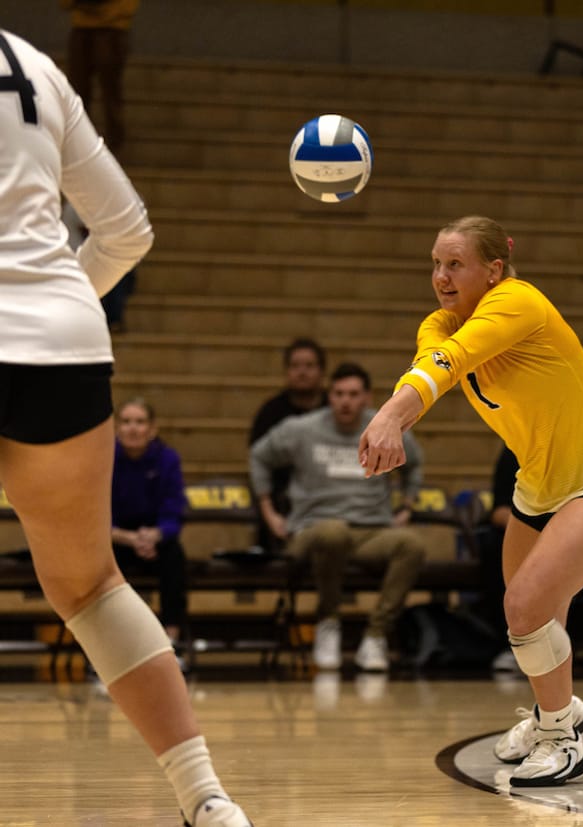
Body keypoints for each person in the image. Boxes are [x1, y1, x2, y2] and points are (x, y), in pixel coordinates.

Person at [0, 29, 249, 826]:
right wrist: (51, 306)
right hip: (63, 348)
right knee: (91, 586)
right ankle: (206, 800)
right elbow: (127, 229)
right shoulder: (33, 63)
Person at [358, 216, 583, 787]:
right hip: (536, 487)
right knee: (532, 620)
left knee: (525, 606)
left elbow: (455, 358)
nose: (441, 276)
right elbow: (430, 370)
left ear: (493, 269)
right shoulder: (438, 323)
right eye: (436, 264)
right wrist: (396, 415)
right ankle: (553, 717)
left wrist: (390, 417)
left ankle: (562, 739)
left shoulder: (518, 301)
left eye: (455, 264)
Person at [250, 362, 426, 672]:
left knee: (411, 545)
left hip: (372, 530)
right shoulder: (301, 429)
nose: (346, 401)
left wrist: (407, 505)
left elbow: (415, 463)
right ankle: (328, 622)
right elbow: (259, 456)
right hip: (314, 528)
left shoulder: (384, 427)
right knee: (333, 532)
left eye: (353, 394)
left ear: (368, 398)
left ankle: (375, 636)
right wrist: (268, 511)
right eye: (339, 393)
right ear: (329, 396)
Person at [485, 446, 583, 677]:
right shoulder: (515, 445)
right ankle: (512, 647)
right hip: (534, 525)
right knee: (493, 547)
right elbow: (499, 510)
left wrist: (569, 531)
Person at [111, 398, 189, 647]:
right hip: (116, 538)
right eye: (126, 422)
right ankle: (112, 644)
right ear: (116, 428)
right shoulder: (104, 460)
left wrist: (155, 535)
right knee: (99, 563)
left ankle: (171, 638)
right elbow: (95, 514)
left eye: (140, 422)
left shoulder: (168, 460)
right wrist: (127, 538)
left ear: (152, 429)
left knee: (175, 557)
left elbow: (174, 510)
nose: (132, 428)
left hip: (155, 540)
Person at [248, 337, 328, 551]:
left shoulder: (336, 408)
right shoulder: (271, 412)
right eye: (295, 366)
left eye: (309, 366)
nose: (302, 372)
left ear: (322, 372)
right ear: (286, 371)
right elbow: (258, 459)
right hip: (282, 497)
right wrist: (270, 511)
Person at [61, 0, 138, 157]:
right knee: (77, 92)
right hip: (83, 27)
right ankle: (78, 144)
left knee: (111, 92)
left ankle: (115, 147)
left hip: (112, 27)